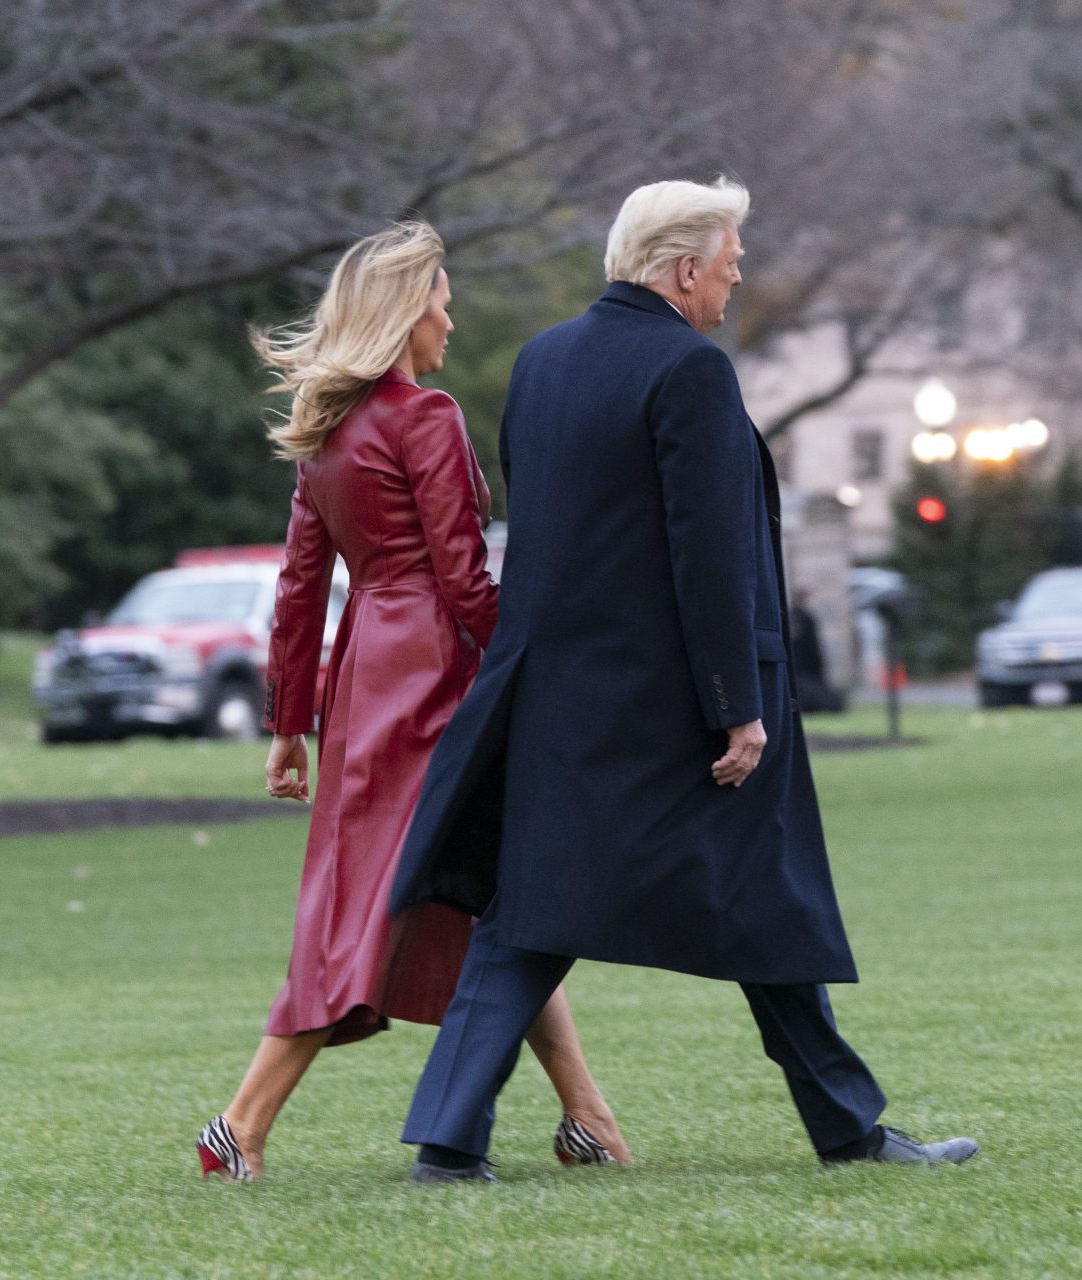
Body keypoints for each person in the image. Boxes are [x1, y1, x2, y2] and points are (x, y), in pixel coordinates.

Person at [389, 179, 977, 1182]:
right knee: (757, 895)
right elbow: (708, 553)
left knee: (537, 914)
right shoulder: (691, 370)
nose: (739, 277)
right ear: (684, 268)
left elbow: (547, 538)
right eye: (731, 260)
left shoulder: (542, 360)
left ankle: (448, 1144)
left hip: (559, 700)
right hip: (674, 712)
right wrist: (735, 706)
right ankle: (850, 1131)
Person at [194, 221, 630, 1182]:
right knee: (389, 902)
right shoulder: (424, 415)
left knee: (484, 896)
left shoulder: (326, 429)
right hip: (432, 672)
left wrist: (289, 724)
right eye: (441, 300)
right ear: (405, 313)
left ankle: (588, 1117)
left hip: (366, 675)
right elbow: (465, 581)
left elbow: (300, 587)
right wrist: (537, 665)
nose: (450, 319)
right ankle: (239, 1125)